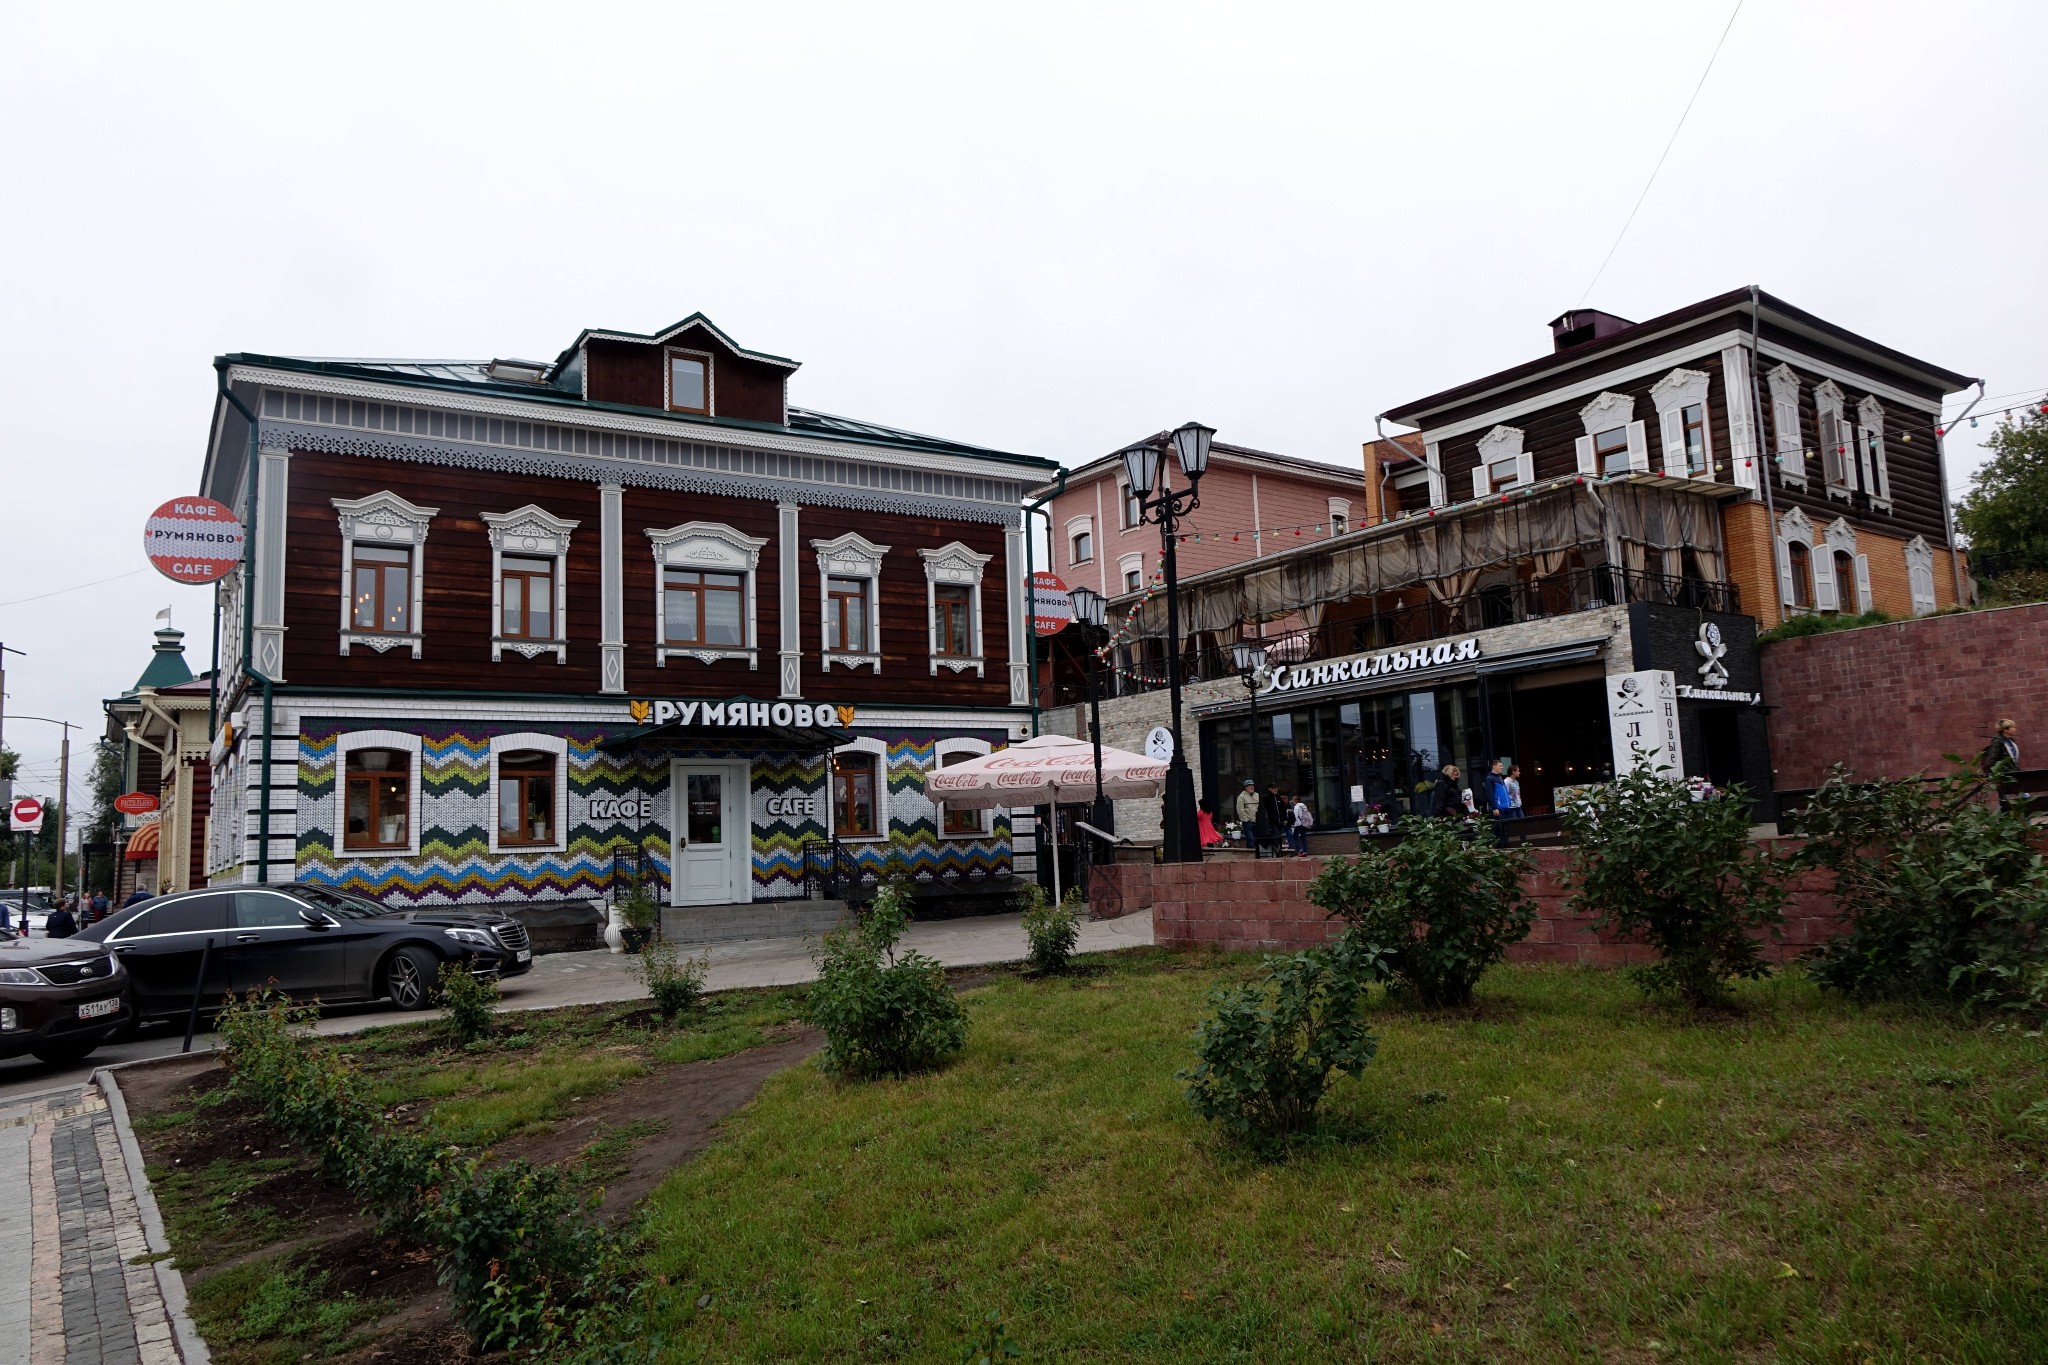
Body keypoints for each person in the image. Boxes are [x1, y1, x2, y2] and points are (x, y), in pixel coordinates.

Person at [1980, 718, 2021, 810]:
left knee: (2021, 796)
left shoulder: (2011, 742)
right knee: (2006, 799)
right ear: (2006, 730)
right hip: (2004, 775)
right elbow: (1992, 759)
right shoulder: (1997, 742)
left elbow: (2013, 760)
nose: (2015, 729)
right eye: (2013, 727)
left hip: (2015, 774)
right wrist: (1991, 774)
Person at [1258, 783, 1287, 858]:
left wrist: (1285, 819)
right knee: (1276, 836)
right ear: (1270, 789)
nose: (1275, 790)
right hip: (1272, 822)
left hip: (1280, 822)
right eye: (1274, 788)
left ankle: (1278, 851)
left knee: (1279, 837)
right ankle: (1277, 852)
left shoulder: (1278, 797)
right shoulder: (1266, 798)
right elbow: (1264, 810)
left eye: (1276, 788)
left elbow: (1283, 808)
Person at [1234, 779, 1262, 848]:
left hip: (1257, 822)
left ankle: (1250, 853)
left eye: (1252, 785)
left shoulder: (1257, 795)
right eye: (1249, 786)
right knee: (1251, 839)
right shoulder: (1241, 797)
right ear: (1246, 787)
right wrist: (1246, 820)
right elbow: (1240, 810)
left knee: (1255, 840)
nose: (1252, 787)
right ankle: (1252, 853)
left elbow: (1261, 807)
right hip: (1248, 823)